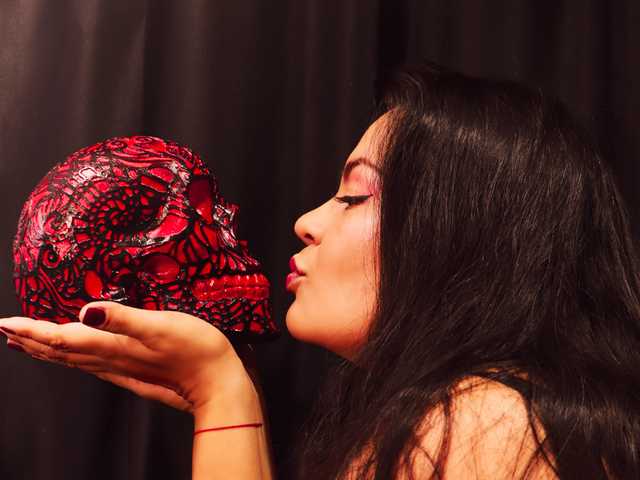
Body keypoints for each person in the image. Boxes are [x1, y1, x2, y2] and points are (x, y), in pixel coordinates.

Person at [1, 62, 639, 479]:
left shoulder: (484, 421)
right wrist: (223, 396)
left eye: (354, 196)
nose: (306, 220)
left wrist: (219, 391)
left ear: (466, 228)